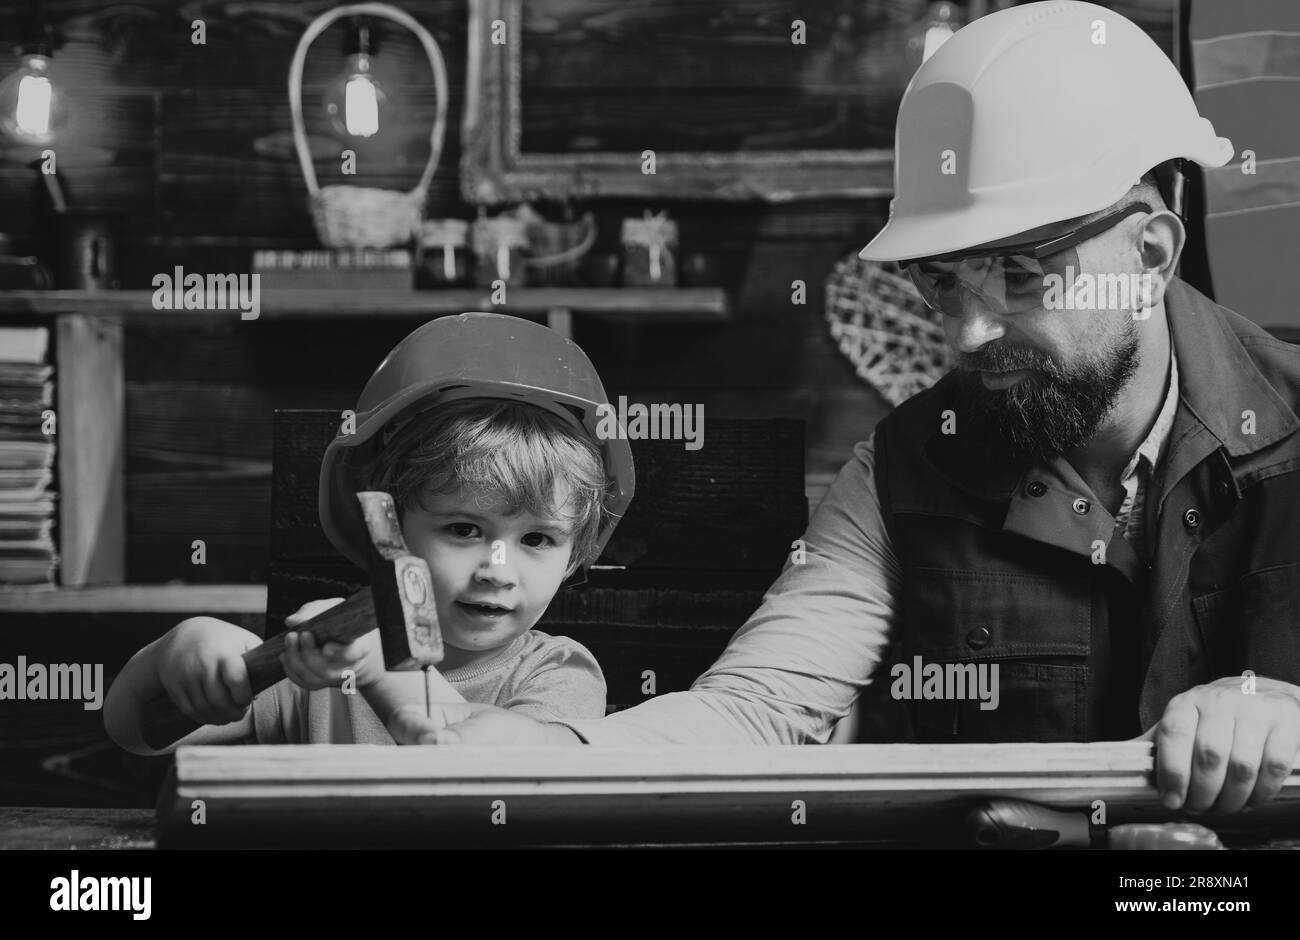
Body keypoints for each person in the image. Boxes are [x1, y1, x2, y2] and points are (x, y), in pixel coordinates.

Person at [389, 1, 1300, 817]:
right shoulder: (907, 468)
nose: (971, 332)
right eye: (941, 281)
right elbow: (761, 709)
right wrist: (538, 752)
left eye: (1022, 274)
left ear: (1150, 253)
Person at [103, 313, 635, 754]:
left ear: (574, 554)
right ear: (390, 527)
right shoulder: (322, 664)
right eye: (463, 528)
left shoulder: (557, 673)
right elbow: (137, 733)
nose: (497, 569)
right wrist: (180, 655)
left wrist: (388, 675)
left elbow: (501, 765)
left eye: (537, 540)